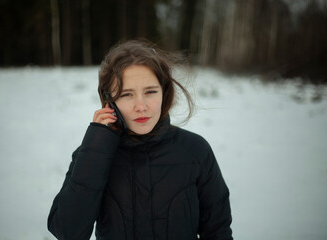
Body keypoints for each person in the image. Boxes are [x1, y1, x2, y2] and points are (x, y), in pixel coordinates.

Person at [47, 40, 233, 240]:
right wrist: (96, 148)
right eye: (127, 94)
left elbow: (218, 231)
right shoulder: (92, 154)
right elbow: (68, 232)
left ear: (164, 92)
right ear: (109, 101)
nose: (141, 106)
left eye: (150, 92)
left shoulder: (195, 150)